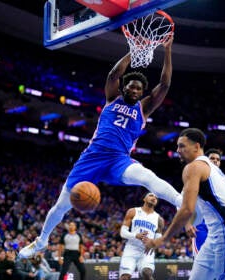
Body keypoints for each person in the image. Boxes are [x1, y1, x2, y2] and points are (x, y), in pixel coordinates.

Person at [19, 34, 183, 258]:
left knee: (147, 177)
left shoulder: (144, 108)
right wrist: (135, 50)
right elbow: (114, 74)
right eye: (131, 87)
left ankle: (180, 202)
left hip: (119, 160)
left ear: (142, 93)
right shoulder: (112, 98)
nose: (134, 91)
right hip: (92, 157)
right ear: (125, 88)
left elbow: (165, 84)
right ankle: (41, 241)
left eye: (138, 89)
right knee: (61, 206)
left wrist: (168, 50)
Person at [143, 128, 225, 279]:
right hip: (216, 234)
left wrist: (161, 239)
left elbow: (187, 209)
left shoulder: (193, 167)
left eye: (182, 146)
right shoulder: (215, 171)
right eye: (177, 146)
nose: (178, 150)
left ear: (197, 146)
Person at [119, 192, 164, 280]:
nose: (154, 198)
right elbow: (122, 232)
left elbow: (159, 239)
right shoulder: (133, 211)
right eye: (151, 195)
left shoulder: (159, 219)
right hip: (131, 248)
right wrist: (136, 235)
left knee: (147, 273)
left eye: (156, 198)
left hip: (147, 251)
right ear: (144, 199)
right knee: (125, 277)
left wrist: (153, 244)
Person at [188, 148, 223, 257]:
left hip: (219, 225)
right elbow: (181, 200)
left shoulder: (224, 181)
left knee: (219, 261)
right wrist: (187, 223)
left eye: (217, 159)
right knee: (201, 259)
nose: (215, 161)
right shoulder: (196, 177)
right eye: (212, 158)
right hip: (201, 223)